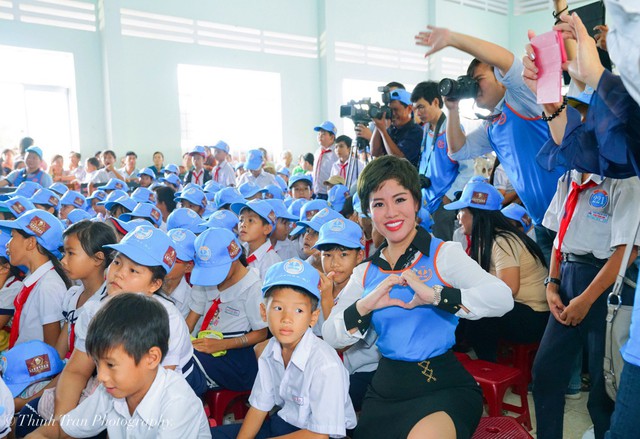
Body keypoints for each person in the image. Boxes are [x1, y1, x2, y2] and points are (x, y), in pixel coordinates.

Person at [323, 155, 513, 438]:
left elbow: (502, 298)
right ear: (368, 213)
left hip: (442, 388)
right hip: (385, 393)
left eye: (399, 199)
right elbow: (331, 335)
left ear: (416, 202)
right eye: (379, 204)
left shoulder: (443, 254)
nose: (390, 213)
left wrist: (436, 295)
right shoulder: (365, 273)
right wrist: (366, 304)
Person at [415, 25, 567, 264]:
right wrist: (452, 109)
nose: (474, 88)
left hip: (568, 215)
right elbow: (458, 150)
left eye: (479, 80)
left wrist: (453, 38)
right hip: (542, 221)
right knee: (557, 298)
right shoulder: (492, 124)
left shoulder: (522, 99)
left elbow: (505, 60)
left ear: (502, 81)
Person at [531, 168, 640, 439]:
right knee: (545, 372)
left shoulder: (625, 180)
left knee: (605, 387)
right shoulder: (568, 178)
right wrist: (552, 283)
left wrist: (587, 299)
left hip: (605, 285)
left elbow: (629, 250)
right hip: (568, 277)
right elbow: (558, 235)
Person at [29, 293, 211, 438]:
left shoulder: (177, 404)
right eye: (97, 364)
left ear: (152, 358)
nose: (100, 376)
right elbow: (64, 428)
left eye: (110, 364)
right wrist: (39, 434)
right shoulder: (111, 391)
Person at [211, 258, 356, 438]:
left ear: (313, 317)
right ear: (263, 312)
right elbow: (258, 408)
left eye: (299, 311)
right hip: (282, 425)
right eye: (278, 308)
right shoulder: (270, 351)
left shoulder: (325, 365)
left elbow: (320, 435)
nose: (287, 318)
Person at [443, 179, 549, 362]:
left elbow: (507, 290)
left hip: (533, 317)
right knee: (459, 305)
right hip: (520, 311)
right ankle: (458, 358)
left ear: (475, 214)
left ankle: (487, 367)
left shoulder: (502, 241)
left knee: (477, 312)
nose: (458, 216)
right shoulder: (486, 240)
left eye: (462, 211)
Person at [187, 228, 268, 393]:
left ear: (234, 257)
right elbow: (191, 318)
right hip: (205, 346)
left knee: (186, 367)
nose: (212, 278)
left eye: (216, 270)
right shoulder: (206, 281)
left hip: (235, 356)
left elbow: (261, 333)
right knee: (174, 356)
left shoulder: (253, 287)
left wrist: (222, 344)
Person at [315, 218, 380, 411]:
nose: (334, 263)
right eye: (327, 255)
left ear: (359, 256)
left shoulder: (365, 291)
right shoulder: (320, 289)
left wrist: (327, 299)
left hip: (364, 371)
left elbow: (340, 343)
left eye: (343, 254)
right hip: (330, 368)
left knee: (328, 403)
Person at [0, 209, 71, 351]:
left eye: (12, 236)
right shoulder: (34, 278)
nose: (7, 244)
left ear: (31, 242)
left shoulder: (49, 285)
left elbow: (52, 348)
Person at [411, 81, 474, 241]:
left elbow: (468, 169)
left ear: (436, 102)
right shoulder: (427, 128)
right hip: (426, 199)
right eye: (415, 108)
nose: (417, 112)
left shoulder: (451, 128)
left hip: (443, 203)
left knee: (443, 251)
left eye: (421, 107)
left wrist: (448, 197)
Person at [363, 89, 422, 170]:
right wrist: (378, 125)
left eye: (396, 110)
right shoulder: (391, 130)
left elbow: (399, 160)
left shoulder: (416, 131)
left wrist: (383, 132)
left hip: (407, 179)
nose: (392, 114)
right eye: (390, 110)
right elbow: (375, 152)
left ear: (409, 108)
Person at [232, 200, 281, 280]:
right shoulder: (239, 250)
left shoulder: (272, 262)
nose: (243, 225)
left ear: (267, 229)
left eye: (250, 220)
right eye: (241, 220)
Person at [312, 121, 339, 200]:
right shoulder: (317, 152)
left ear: (332, 137)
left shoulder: (336, 152)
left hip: (330, 194)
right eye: (319, 134)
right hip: (316, 193)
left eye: (323, 134)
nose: (320, 136)